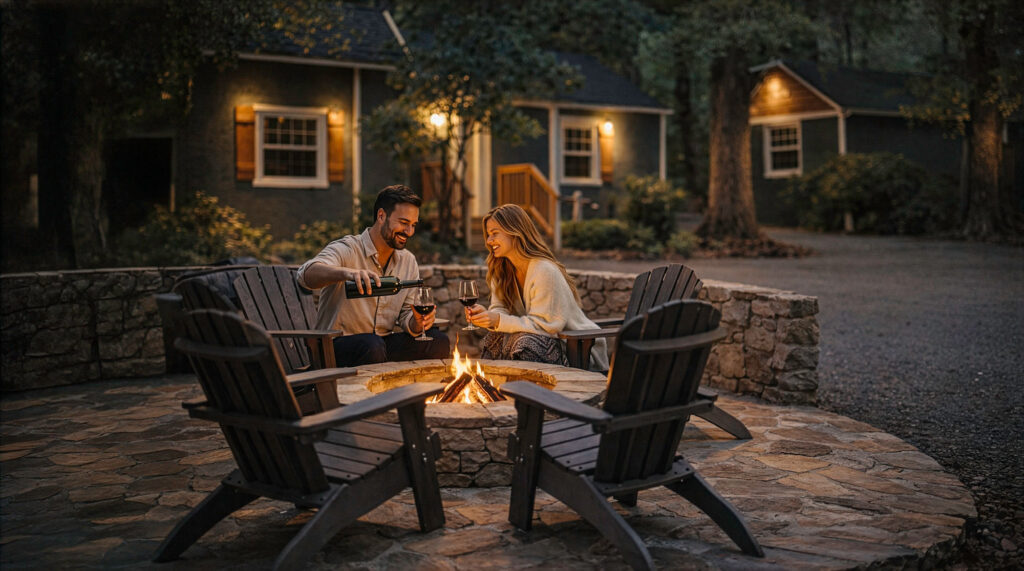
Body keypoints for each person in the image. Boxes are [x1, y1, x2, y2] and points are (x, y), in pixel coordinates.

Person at [296, 185, 449, 366]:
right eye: (403, 223)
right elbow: (305, 275)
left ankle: (420, 394)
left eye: (413, 225)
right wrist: (347, 273)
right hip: (334, 348)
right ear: (381, 216)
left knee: (437, 341)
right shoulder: (348, 249)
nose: (409, 232)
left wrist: (417, 322)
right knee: (372, 345)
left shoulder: (407, 261)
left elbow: (407, 315)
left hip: (381, 345)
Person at [465, 204, 609, 371]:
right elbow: (500, 309)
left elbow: (545, 326)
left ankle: (524, 393)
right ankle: (494, 385)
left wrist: (497, 320)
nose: (489, 241)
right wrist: (487, 316)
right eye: (488, 235)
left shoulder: (544, 270)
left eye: (495, 234)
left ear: (515, 232)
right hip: (534, 341)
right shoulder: (501, 270)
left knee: (525, 342)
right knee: (495, 335)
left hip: (575, 349)